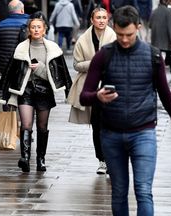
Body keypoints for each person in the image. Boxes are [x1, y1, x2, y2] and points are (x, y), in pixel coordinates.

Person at [80, 5, 171, 215]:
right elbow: (84, 96)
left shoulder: (152, 56)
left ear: (139, 28)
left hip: (144, 132)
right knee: (119, 192)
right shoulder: (103, 56)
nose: (124, 39)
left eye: (130, 35)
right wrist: (97, 96)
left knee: (143, 191)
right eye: (121, 34)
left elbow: (166, 95)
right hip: (111, 134)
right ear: (115, 28)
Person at [0, 15, 72, 172]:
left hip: (45, 90)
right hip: (26, 90)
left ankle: (41, 159)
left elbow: (61, 74)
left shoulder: (53, 49)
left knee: (42, 127)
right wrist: (5, 96)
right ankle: (25, 158)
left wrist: (41, 69)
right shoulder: (21, 48)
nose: (36, 29)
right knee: (26, 124)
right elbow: (11, 73)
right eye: (33, 27)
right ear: (29, 30)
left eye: (39, 27)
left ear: (44, 30)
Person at [67, 7, 116, 175]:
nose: (102, 20)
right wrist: (94, 63)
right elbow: (76, 65)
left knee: (111, 125)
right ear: (92, 20)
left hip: (111, 86)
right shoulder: (83, 40)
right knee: (97, 125)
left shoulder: (115, 36)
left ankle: (112, 159)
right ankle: (102, 160)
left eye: (104, 17)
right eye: (98, 17)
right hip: (92, 89)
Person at [0, 0, 29, 110]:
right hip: (25, 66)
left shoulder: (0, 26)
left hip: (5, 66)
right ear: (22, 10)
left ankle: (8, 116)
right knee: (24, 91)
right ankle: (24, 117)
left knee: (7, 92)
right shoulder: (30, 24)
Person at [149, 0, 171, 66]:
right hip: (165, 39)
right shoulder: (168, 11)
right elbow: (170, 26)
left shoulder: (154, 11)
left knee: (157, 56)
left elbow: (150, 25)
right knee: (170, 55)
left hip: (155, 39)